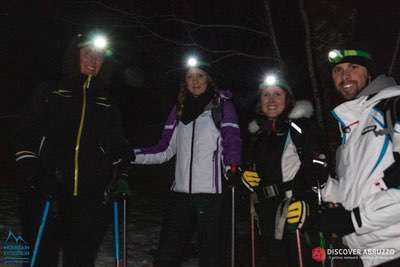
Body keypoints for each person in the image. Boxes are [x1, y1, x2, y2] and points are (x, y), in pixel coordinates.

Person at [15, 32, 130, 267]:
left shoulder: (107, 104)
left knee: (80, 258)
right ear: (74, 56)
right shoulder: (50, 92)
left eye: (98, 56)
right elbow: (25, 135)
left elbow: (117, 146)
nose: (92, 59)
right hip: (46, 192)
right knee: (41, 257)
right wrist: (33, 173)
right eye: (86, 53)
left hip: (89, 198)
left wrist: (122, 173)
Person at [131, 55, 242, 267]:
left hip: (210, 196)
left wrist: (232, 168)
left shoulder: (222, 107)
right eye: (190, 77)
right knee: (167, 254)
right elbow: (164, 150)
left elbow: (231, 142)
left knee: (211, 256)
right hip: (180, 195)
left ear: (209, 79)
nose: (195, 81)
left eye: (200, 75)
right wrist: (130, 155)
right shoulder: (179, 110)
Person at [307, 44, 400, 267]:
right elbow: (353, 196)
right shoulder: (350, 133)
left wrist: (353, 220)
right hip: (369, 254)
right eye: (337, 70)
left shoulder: (393, 106)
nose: (344, 75)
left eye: (353, 67)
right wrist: (323, 184)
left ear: (369, 73)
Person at [241, 74, 327, 267]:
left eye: (277, 94)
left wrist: (307, 201)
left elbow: (318, 167)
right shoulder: (257, 135)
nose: (271, 100)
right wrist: (244, 178)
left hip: (296, 210)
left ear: (287, 99)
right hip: (266, 214)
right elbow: (249, 170)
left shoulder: (300, 127)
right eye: (266, 95)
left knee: (302, 261)